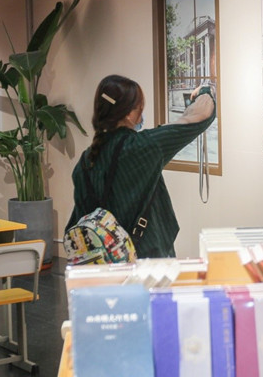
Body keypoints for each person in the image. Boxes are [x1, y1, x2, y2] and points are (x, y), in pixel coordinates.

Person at [66, 74, 216, 258]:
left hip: (103, 265)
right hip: (148, 260)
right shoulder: (143, 147)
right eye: (140, 108)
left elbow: (80, 221)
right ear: (129, 114)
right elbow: (199, 117)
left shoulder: (85, 162)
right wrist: (205, 91)